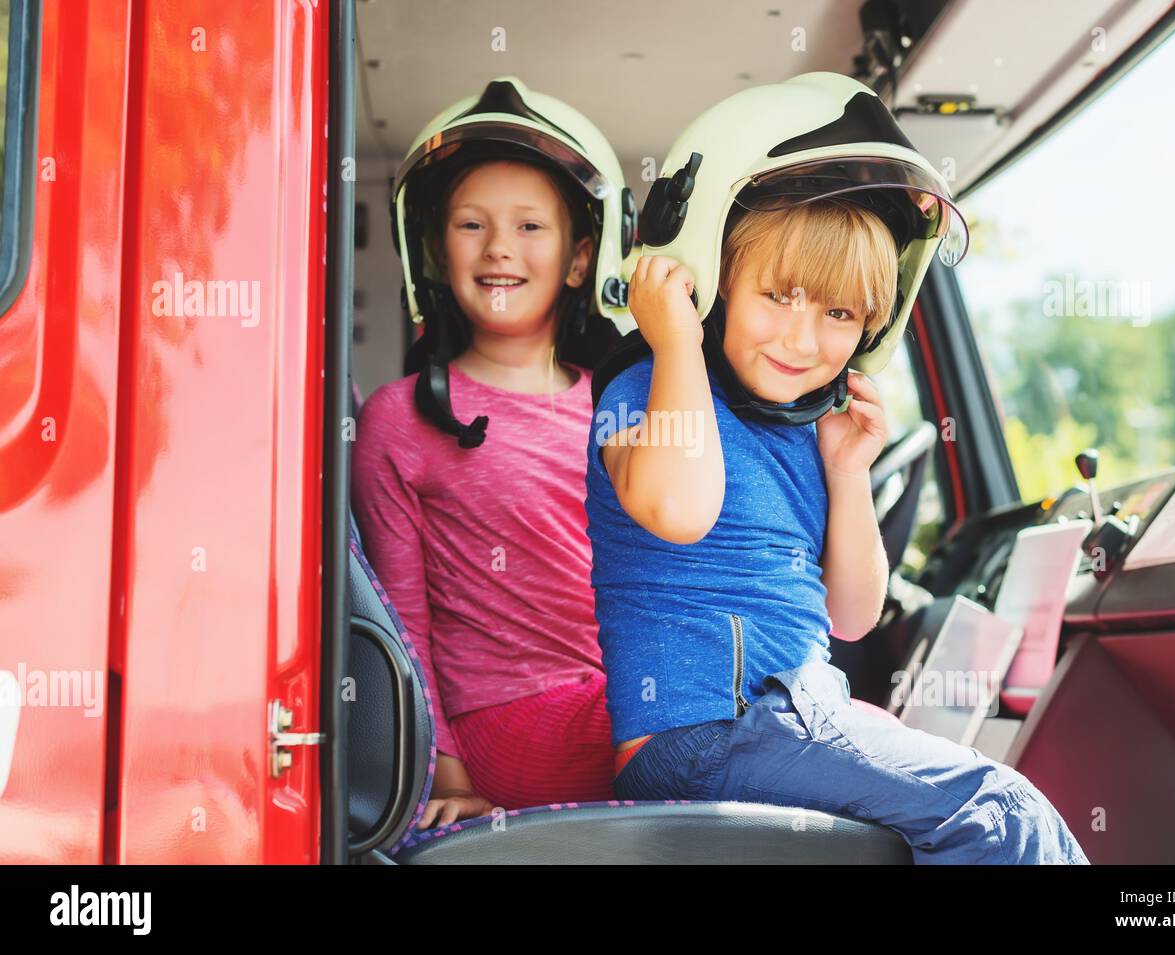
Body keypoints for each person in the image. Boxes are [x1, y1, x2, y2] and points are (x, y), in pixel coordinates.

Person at [585, 72, 1089, 863]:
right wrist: (676, 337)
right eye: (779, 294)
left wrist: (849, 472)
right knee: (998, 811)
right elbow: (680, 509)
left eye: (839, 312)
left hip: (796, 711)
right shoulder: (647, 386)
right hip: (700, 734)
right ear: (708, 277)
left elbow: (852, 615)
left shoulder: (806, 428)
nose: (803, 336)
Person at [352, 77, 635, 829]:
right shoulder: (401, 418)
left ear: (580, 260)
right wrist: (443, 770)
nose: (500, 247)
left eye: (529, 226)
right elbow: (399, 617)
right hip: (508, 725)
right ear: (437, 253)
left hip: (621, 703)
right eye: (471, 224)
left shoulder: (622, 409)